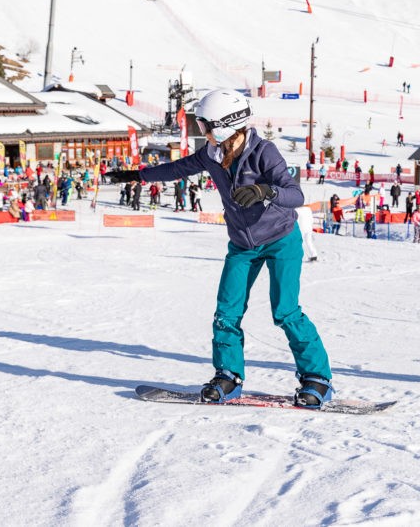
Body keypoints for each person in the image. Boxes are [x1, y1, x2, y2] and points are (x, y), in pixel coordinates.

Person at [105, 89, 334, 408]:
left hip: (281, 239)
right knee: (226, 313)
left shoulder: (263, 152)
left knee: (285, 311)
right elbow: (176, 170)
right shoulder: (211, 154)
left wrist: (264, 191)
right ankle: (228, 376)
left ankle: (317, 379)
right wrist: (136, 175)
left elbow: (295, 195)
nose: (202, 131)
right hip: (242, 244)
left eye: (204, 124)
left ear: (225, 124)